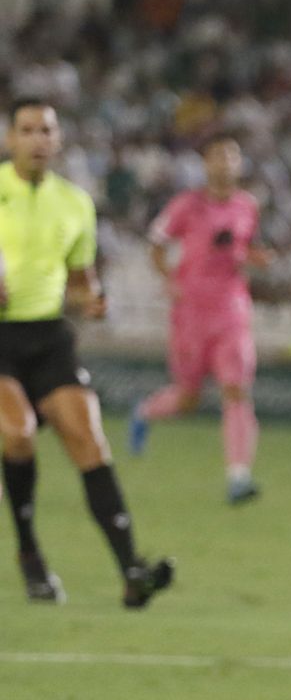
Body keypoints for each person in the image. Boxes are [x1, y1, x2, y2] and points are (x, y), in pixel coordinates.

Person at [0, 98, 174, 607]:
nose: (36, 139)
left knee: (90, 442)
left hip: (49, 336)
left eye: (45, 130)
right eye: (26, 129)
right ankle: (30, 555)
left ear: (57, 141)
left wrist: (92, 299)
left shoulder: (75, 202)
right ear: (10, 139)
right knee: (18, 432)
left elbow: (80, 279)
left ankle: (132, 572)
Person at [129, 133, 269, 504]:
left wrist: (253, 259)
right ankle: (144, 411)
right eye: (217, 155)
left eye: (231, 155)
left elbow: (246, 248)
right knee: (188, 398)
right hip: (190, 312)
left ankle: (238, 476)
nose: (225, 162)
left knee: (237, 388)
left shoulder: (247, 206)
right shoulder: (185, 206)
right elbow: (156, 244)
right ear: (205, 164)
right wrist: (169, 279)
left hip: (232, 310)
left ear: (240, 164)